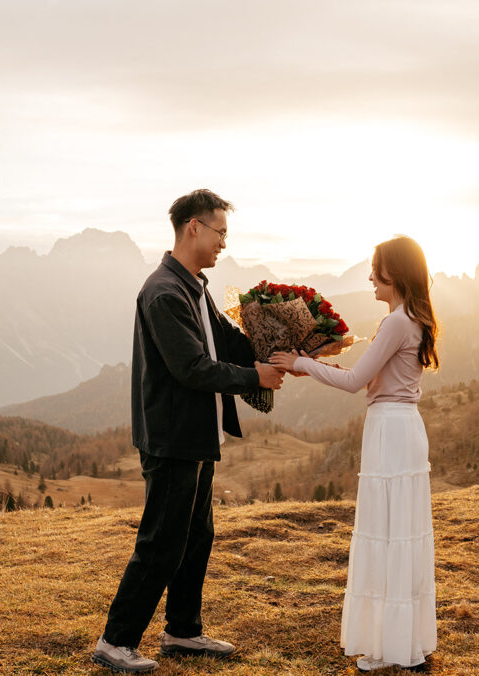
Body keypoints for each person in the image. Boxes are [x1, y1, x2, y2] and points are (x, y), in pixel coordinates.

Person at [92, 189, 285, 673]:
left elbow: (226, 340)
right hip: (173, 438)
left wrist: (282, 351)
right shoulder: (163, 293)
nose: (224, 243)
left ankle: (182, 631)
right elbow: (193, 368)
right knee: (161, 542)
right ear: (193, 227)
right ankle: (115, 642)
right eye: (220, 232)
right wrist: (254, 378)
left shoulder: (194, 285)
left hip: (198, 437)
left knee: (197, 537)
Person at [271, 235, 440, 672]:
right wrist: (315, 361)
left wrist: (300, 363)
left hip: (389, 429)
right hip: (405, 426)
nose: (369, 276)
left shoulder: (396, 322)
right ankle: (406, 642)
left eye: (376, 268)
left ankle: (389, 647)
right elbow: (366, 377)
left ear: (395, 274)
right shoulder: (412, 318)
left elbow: (353, 385)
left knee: (386, 531)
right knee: (401, 530)